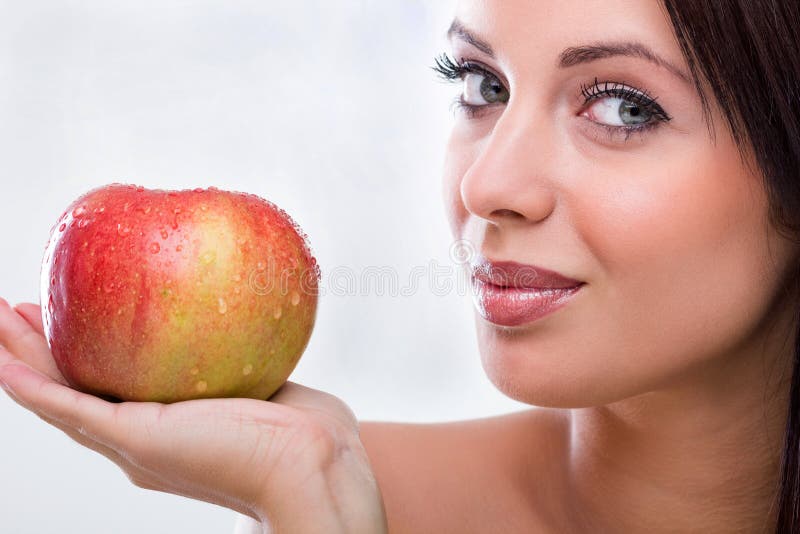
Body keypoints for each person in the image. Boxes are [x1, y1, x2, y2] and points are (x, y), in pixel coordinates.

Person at [2, 0, 800, 532]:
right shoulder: (363, 496)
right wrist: (315, 505)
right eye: (484, 85)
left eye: (625, 107)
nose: (486, 184)